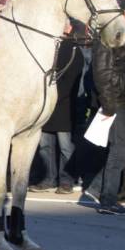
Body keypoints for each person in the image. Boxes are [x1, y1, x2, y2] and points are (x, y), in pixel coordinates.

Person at [84, 10, 125, 216]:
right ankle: (107, 200)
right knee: (120, 150)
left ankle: (96, 188)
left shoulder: (124, 39)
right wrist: (109, 105)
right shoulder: (108, 39)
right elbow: (102, 74)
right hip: (116, 102)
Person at [30, 22, 84, 194]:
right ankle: (49, 178)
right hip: (47, 103)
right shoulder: (47, 45)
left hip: (63, 104)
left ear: (69, 28)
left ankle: (67, 180)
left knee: (66, 147)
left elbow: (72, 78)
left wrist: (54, 97)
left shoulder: (73, 49)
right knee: (45, 145)